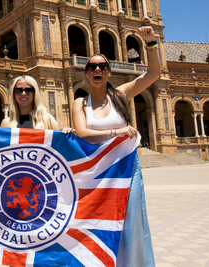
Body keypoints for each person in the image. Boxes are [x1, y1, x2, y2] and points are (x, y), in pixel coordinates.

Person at [72, 26, 160, 266]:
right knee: (100, 223)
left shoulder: (121, 95)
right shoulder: (80, 102)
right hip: (96, 172)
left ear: (108, 72)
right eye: (92, 67)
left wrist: (151, 42)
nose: (97, 69)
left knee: (131, 224)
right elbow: (83, 134)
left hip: (127, 169)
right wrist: (117, 131)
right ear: (87, 73)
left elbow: (152, 74)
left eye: (101, 66)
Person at [0, 75, 73, 133]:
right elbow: (0, 149)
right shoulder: (6, 123)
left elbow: (57, 148)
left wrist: (69, 134)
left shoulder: (47, 121)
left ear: (35, 93)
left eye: (28, 90)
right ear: (13, 94)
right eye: (18, 90)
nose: (23, 93)